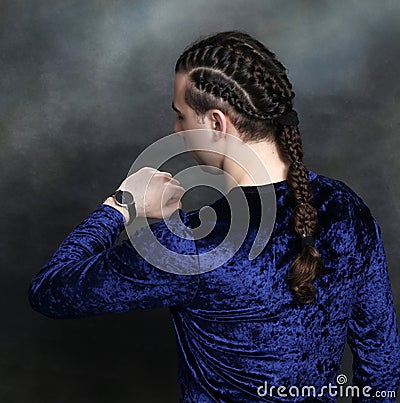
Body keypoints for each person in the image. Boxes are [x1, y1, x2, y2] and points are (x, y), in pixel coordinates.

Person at [29, 31, 400, 402]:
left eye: (180, 116)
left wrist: (123, 204)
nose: (175, 130)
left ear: (217, 124)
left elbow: (49, 290)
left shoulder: (193, 245)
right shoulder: (348, 208)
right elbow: (381, 367)